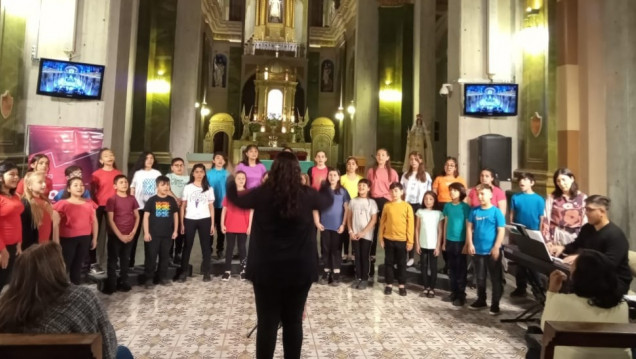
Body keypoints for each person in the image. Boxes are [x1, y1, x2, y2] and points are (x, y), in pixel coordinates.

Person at [226, 151, 333, 358]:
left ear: (273, 170)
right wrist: (326, 185)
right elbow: (327, 201)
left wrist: (232, 178)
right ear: (297, 171)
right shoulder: (308, 194)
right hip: (300, 270)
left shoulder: (261, 194)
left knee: (267, 323)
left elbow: (234, 199)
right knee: (293, 322)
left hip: (266, 270)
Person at [0, 242, 133, 359]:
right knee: (123, 352)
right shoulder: (81, 298)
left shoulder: (6, 303)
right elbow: (108, 349)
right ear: (57, 269)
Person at [540, 250, 630, 359]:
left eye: (572, 267)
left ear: (579, 276)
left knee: (533, 348)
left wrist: (552, 292)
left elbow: (545, 329)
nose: (569, 269)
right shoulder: (622, 306)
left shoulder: (563, 302)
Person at [549, 195, 632, 294]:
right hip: (592, 276)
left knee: (572, 288)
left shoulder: (616, 236)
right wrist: (562, 248)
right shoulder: (587, 228)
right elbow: (576, 245)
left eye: (590, 210)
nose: (586, 213)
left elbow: (609, 264)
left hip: (613, 280)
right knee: (558, 276)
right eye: (585, 209)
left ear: (602, 211)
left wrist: (581, 258)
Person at [466, 184, 506, 315]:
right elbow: (469, 228)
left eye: (483, 194)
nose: (480, 197)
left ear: (490, 195)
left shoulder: (496, 212)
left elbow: (501, 230)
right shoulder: (475, 211)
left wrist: (496, 247)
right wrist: (470, 244)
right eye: (478, 194)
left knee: (495, 278)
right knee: (480, 277)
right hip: (478, 251)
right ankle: (481, 299)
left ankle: (495, 304)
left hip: (491, 251)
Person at [53, 177, 98, 285]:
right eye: (76, 185)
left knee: (78, 264)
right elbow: (55, 223)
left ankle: (76, 286)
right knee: (65, 264)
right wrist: (56, 241)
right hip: (68, 239)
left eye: (81, 185)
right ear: (68, 189)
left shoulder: (89, 203)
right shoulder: (62, 203)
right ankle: (60, 289)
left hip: (85, 238)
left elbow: (94, 222)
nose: (79, 187)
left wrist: (95, 238)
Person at [509, 172, 545, 297]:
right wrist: (512, 231)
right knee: (520, 261)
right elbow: (512, 215)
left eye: (525, 179)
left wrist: (540, 234)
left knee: (533, 262)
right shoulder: (515, 197)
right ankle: (521, 287)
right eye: (520, 180)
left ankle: (539, 287)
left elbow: (541, 218)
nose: (522, 182)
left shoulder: (539, 199)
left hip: (533, 232)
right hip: (519, 231)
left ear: (532, 183)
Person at [178, 164, 215, 282]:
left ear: (204, 173)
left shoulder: (209, 188)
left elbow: (211, 207)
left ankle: (206, 272)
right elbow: (183, 206)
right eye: (197, 172)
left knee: (206, 247)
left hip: (205, 219)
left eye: (201, 172)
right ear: (193, 173)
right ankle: (183, 272)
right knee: (187, 246)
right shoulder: (188, 187)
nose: (199, 174)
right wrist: (182, 223)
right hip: (190, 219)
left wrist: (212, 224)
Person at [103, 174, 140, 294]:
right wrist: (120, 236)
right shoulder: (112, 200)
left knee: (125, 259)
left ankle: (124, 281)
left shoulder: (132, 199)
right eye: (121, 182)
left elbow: (137, 216)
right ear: (115, 186)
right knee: (113, 260)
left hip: (129, 235)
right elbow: (110, 220)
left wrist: (133, 232)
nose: (124, 184)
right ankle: (111, 284)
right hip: (116, 236)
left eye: (125, 182)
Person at [314, 168, 350, 286]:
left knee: (336, 250)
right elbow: (316, 207)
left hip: (337, 226)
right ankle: (326, 272)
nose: (332, 177)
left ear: (339, 177)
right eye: (330, 175)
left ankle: (336, 274)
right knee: (325, 249)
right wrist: (318, 222)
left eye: (335, 175)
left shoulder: (343, 191)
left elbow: (346, 209)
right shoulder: (323, 191)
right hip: (325, 226)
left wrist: (343, 224)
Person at [367, 148, 399, 278]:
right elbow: (368, 188)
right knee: (372, 231)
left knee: (386, 230)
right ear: (376, 157)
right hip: (374, 201)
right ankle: (371, 260)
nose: (380, 157)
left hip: (387, 202)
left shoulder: (392, 172)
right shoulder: (371, 171)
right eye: (378, 154)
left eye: (383, 155)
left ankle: (389, 263)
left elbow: (396, 189)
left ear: (388, 157)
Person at [379, 182, 414, 296]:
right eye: (392, 191)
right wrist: (381, 238)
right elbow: (382, 222)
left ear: (401, 192)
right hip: (388, 238)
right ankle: (389, 284)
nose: (394, 193)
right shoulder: (387, 205)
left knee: (401, 263)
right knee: (388, 262)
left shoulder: (407, 206)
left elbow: (410, 225)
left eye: (396, 191)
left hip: (402, 240)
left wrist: (410, 241)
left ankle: (401, 285)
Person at [91, 148, 122, 276]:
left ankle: (113, 261)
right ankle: (93, 263)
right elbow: (92, 192)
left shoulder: (118, 173)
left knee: (113, 234)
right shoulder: (96, 174)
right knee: (95, 235)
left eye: (111, 154)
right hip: (98, 207)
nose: (109, 157)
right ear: (101, 160)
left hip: (114, 207)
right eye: (106, 156)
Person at [143, 176, 179, 288]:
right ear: (157, 186)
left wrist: (175, 230)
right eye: (163, 185)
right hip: (153, 235)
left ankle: (162, 277)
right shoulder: (152, 200)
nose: (166, 187)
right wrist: (146, 232)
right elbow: (145, 217)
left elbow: (175, 216)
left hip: (167, 234)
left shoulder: (171, 200)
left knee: (164, 257)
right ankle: (149, 279)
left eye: (168, 184)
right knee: (151, 257)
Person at [432, 157, 466, 274]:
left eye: (452, 165)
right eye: (447, 164)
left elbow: (464, 195)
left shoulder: (460, 179)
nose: (449, 167)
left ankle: (455, 266)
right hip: (441, 207)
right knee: (442, 235)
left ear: (455, 167)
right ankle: (447, 264)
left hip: (456, 207)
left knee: (454, 234)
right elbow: (434, 194)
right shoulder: (439, 179)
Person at [128, 151, 162, 267]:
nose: (149, 160)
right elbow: (132, 189)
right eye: (147, 158)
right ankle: (130, 263)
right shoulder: (137, 173)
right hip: (138, 208)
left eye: (152, 158)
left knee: (150, 236)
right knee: (134, 235)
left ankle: (150, 263)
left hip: (152, 209)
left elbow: (160, 190)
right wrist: (132, 205)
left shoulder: (157, 173)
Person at [401, 151, 432, 266]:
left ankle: (422, 258)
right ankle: (409, 256)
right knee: (408, 230)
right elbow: (402, 192)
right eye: (411, 159)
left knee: (419, 230)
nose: (413, 161)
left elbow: (429, 192)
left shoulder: (426, 175)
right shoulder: (405, 175)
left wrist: (428, 206)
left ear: (421, 161)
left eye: (416, 159)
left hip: (420, 205)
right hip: (407, 204)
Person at [220, 171, 252, 282]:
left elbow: (251, 211)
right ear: (235, 180)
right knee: (229, 248)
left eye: (243, 178)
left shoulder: (248, 194)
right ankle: (227, 271)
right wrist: (222, 224)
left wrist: (250, 226)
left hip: (243, 225)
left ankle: (243, 270)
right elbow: (224, 210)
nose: (241, 180)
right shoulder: (230, 194)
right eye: (239, 178)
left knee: (242, 248)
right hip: (230, 225)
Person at [442, 182, 470, 306]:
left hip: (461, 241)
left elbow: (468, 226)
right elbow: (445, 224)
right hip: (449, 240)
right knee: (451, 268)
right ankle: (453, 292)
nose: (452, 192)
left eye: (455, 190)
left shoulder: (465, 207)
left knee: (461, 269)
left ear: (461, 192)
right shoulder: (447, 206)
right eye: (451, 190)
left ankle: (461, 294)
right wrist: (443, 241)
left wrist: (467, 243)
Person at [542, 168, 587, 245]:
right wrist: (547, 240)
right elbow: (546, 219)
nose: (561, 183)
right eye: (558, 181)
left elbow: (585, 221)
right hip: (556, 236)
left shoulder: (582, 197)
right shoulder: (552, 198)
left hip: (575, 237)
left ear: (572, 179)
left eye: (563, 179)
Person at [347, 179, 378, 289]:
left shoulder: (372, 202)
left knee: (365, 256)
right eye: (359, 185)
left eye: (364, 185)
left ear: (369, 188)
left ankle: (365, 278)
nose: (361, 187)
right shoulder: (353, 201)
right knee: (357, 256)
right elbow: (349, 218)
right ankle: (358, 277)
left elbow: (373, 220)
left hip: (366, 235)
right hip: (354, 234)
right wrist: (351, 231)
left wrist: (363, 232)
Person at [0, 161, 24, 291]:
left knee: (5, 281)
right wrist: (2, 250)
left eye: (17, 175)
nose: (16, 177)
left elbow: (16, 220)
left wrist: (19, 242)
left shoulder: (14, 196)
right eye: (12, 174)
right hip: (2, 247)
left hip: (13, 246)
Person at [415, 191, 443, 298]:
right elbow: (417, 229)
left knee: (433, 267)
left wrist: (438, 246)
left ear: (435, 200)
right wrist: (417, 244)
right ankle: (425, 287)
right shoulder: (420, 212)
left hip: (433, 245)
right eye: (426, 199)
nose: (428, 201)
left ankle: (432, 288)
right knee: (424, 266)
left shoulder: (438, 213)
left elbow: (440, 231)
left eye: (431, 199)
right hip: (422, 244)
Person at [20, 171, 59, 249]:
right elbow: (22, 230)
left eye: (44, 182)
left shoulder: (46, 202)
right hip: (32, 248)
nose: (44, 184)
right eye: (40, 182)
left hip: (46, 246)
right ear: (29, 186)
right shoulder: (25, 204)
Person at [166, 157, 189, 264]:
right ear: (172, 168)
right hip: (170, 206)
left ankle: (178, 253)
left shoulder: (188, 179)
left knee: (181, 230)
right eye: (176, 165)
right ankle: (168, 255)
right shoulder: (168, 176)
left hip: (183, 207)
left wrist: (183, 201)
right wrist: (176, 198)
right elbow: (166, 189)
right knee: (169, 229)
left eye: (181, 165)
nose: (179, 167)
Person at [340, 157, 363, 262]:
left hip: (357, 207)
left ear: (357, 166)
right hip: (344, 207)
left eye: (353, 164)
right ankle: (345, 253)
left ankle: (354, 252)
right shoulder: (342, 178)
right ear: (346, 166)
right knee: (345, 230)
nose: (351, 166)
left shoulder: (360, 179)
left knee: (355, 229)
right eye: (349, 164)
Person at [207, 152, 229, 259]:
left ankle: (220, 249)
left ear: (224, 162)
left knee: (221, 229)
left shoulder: (227, 174)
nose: (220, 160)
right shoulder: (208, 174)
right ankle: (209, 249)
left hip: (223, 206)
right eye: (218, 158)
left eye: (222, 158)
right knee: (210, 228)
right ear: (213, 160)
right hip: (210, 205)